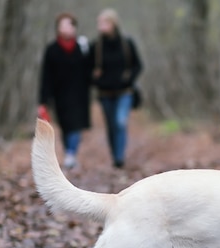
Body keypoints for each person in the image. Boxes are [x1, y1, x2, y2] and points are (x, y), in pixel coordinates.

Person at [90, 9, 143, 168]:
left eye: (105, 22)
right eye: (99, 23)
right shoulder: (96, 46)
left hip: (124, 92)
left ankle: (119, 158)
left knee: (120, 122)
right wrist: (96, 80)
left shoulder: (127, 43)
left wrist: (128, 79)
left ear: (113, 24)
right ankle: (115, 155)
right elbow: (87, 69)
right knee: (111, 126)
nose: (101, 26)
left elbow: (138, 65)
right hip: (105, 93)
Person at [38, 12, 91, 169]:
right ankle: (69, 152)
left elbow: (90, 70)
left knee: (76, 124)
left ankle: (71, 154)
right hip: (59, 95)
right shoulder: (52, 50)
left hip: (80, 94)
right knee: (65, 125)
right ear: (58, 29)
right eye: (63, 25)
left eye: (69, 25)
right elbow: (46, 76)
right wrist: (43, 100)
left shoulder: (82, 47)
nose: (66, 28)